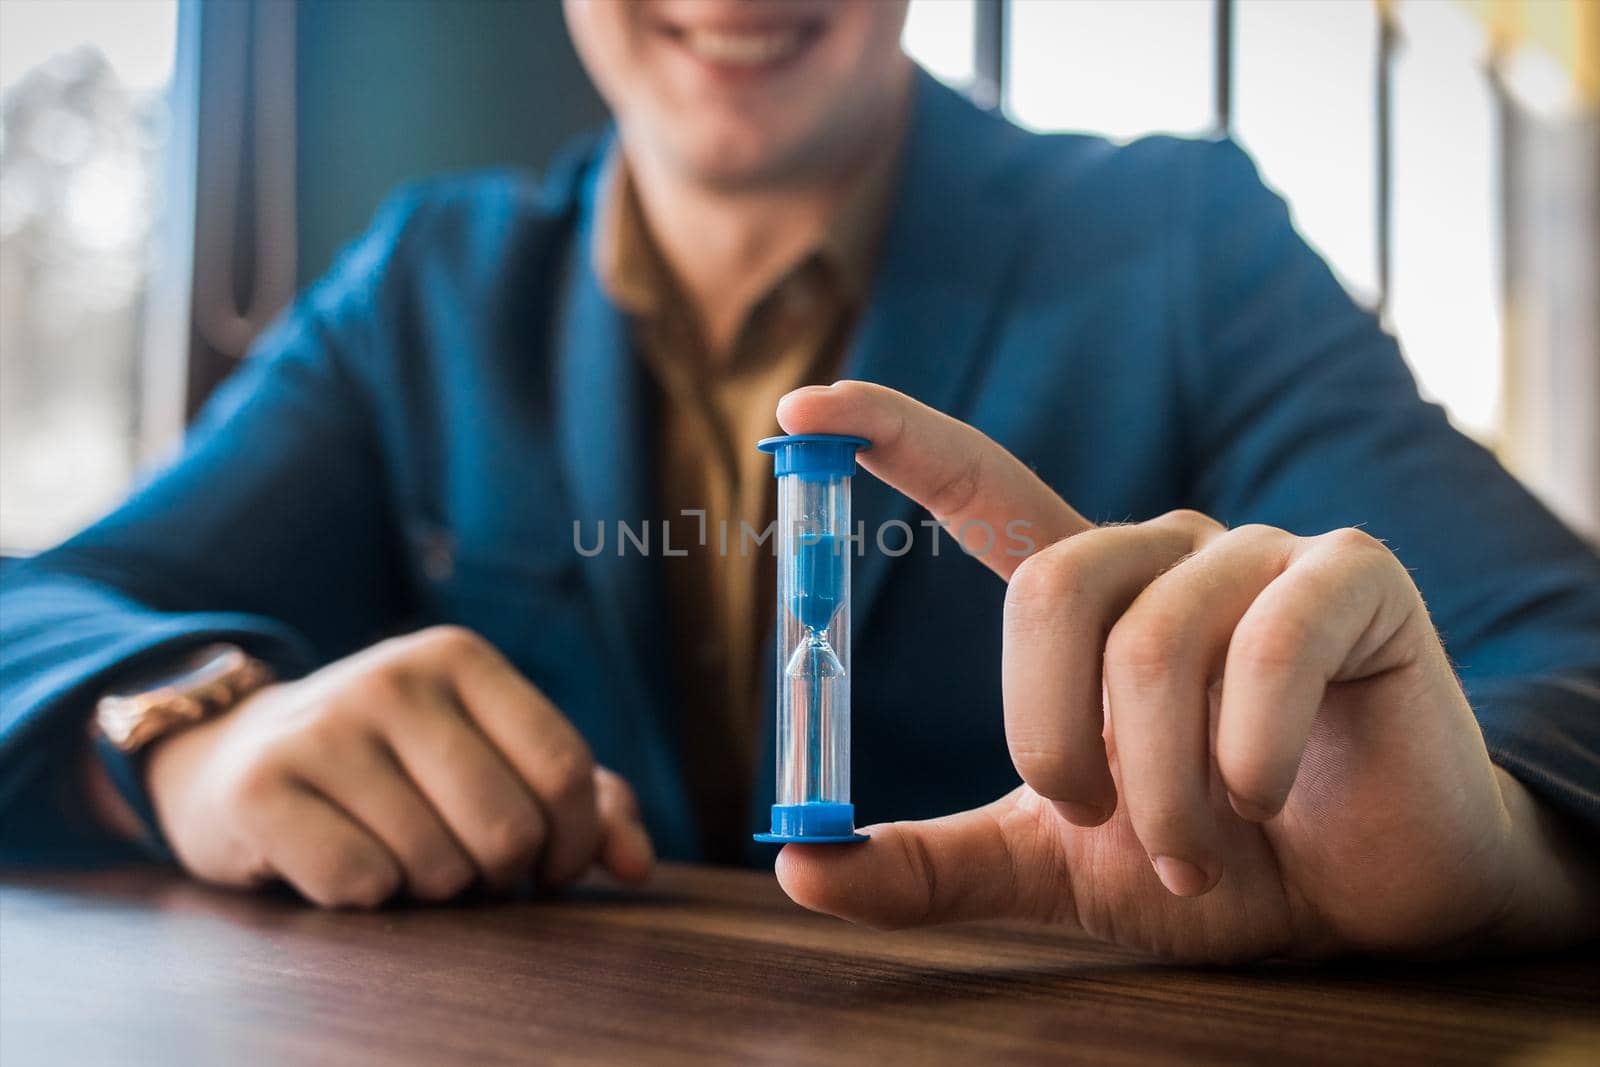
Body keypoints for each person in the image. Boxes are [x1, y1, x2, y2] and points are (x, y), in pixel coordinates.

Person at [2, 0, 1596, 961]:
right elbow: (44, 610)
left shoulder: (1182, 249)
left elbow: (1568, 656)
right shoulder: (428, 287)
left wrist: (1491, 847)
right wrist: (180, 732)